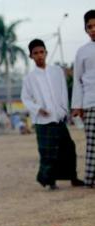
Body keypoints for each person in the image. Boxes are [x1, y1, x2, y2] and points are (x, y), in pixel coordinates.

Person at [21, 39, 85, 190]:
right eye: (35, 53)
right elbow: (26, 98)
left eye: (41, 52)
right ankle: (50, 180)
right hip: (43, 120)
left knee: (68, 147)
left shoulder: (56, 71)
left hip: (58, 117)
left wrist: (64, 110)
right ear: (31, 56)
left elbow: (63, 92)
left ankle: (73, 177)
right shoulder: (29, 78)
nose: (39, 56)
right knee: (47, 152)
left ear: (46, 53)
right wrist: (38, 109)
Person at [71, 10, 95, 188]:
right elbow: (77, 81)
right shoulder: (82, 52)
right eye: (89, 27)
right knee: (92, 143)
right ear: (85, 29)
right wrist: (77, 106)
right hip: (90, 103)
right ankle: (91, 179)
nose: (93, 29)